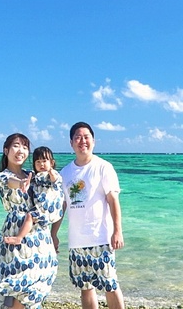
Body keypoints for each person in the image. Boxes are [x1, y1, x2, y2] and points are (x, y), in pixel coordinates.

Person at [0, 134, 63, 309]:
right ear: (6, 150)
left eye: (25, 147)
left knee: (43, 277)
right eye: (16, 146)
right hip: (17, 233)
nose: (20, 150)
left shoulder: (33, 174)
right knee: (21, 281)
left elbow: (56, 196)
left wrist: (54, 233)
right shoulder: (3, 176)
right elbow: (12, 182)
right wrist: (22, 182)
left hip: (40, 233)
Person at [51, 122, 125, 309]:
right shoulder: (65, 173)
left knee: (110, 284)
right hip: (76, 241)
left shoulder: (103, 167)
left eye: (86, 137)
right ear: (71, 143)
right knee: (85, 287)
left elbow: (113, 200)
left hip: (101, 238)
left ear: (94, 141)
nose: (82, 141)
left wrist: (117, 231)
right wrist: (54, 234)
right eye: (78, 137)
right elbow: (62, 206)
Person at [3, 147, 62, 246]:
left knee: (30, 216)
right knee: (31, 218)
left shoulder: (51, 174)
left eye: (44, 161)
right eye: (38, 162)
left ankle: (19, 238)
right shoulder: (36, 176)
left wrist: (51, 172)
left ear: (52, 163)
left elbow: (55, 180)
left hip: (47, 206)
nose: (41, 164)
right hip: (42, 206)